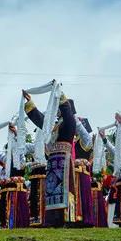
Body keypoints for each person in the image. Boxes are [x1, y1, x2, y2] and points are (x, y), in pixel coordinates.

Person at [23, 89, 76, 228]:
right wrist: (29, 102)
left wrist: (60, 95)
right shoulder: (54, 127)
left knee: (65, 190)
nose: (57, 111)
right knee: (52, 192)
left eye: (59, 108)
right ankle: (53, 220)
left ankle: (67, 220)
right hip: (53, 163)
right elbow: (41, 121)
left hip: (64, 160)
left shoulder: (70, 123)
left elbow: (67, 113)